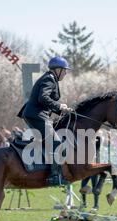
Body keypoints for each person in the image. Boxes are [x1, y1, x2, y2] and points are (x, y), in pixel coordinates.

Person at [17, 56, 73, 186]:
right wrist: (59, 106)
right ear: (57, 69)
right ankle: (54, 176)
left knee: (51, 142)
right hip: (36, 115)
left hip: (36, 114)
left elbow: (45, 102)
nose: (65, 73)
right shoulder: (49, 79)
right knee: (57, 143)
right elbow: (43, 98)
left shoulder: (51, 79)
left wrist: (62, 110)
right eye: (64, 70)